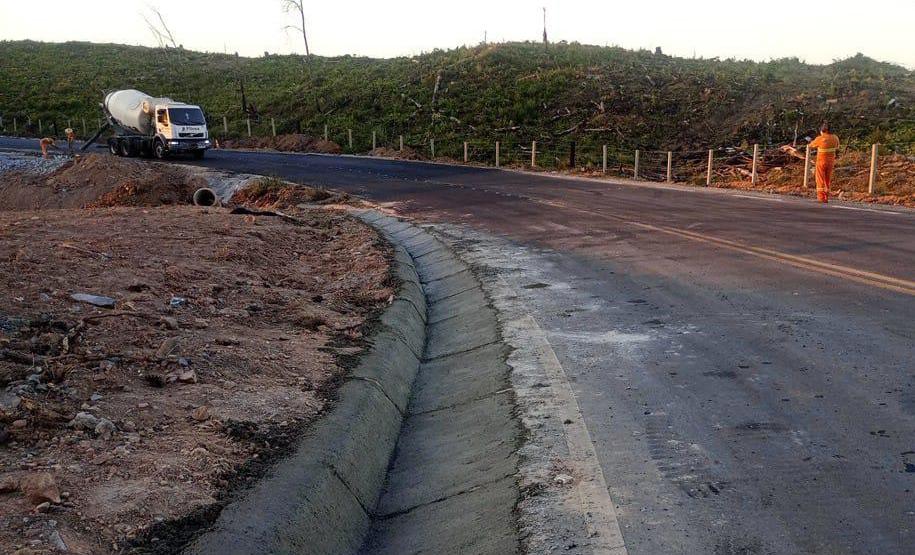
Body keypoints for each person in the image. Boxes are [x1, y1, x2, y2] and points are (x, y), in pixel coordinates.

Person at [807, 123, 840, 203]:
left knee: (820, 179)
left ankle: (821, 197)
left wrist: (811, 141)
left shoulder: (820, 138)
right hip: (831, 162)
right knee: (827, 179)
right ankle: (826, 196)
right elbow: (837, 147)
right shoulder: (835, 138)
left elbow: (811, 145)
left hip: (821, 161)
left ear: (822, 130)